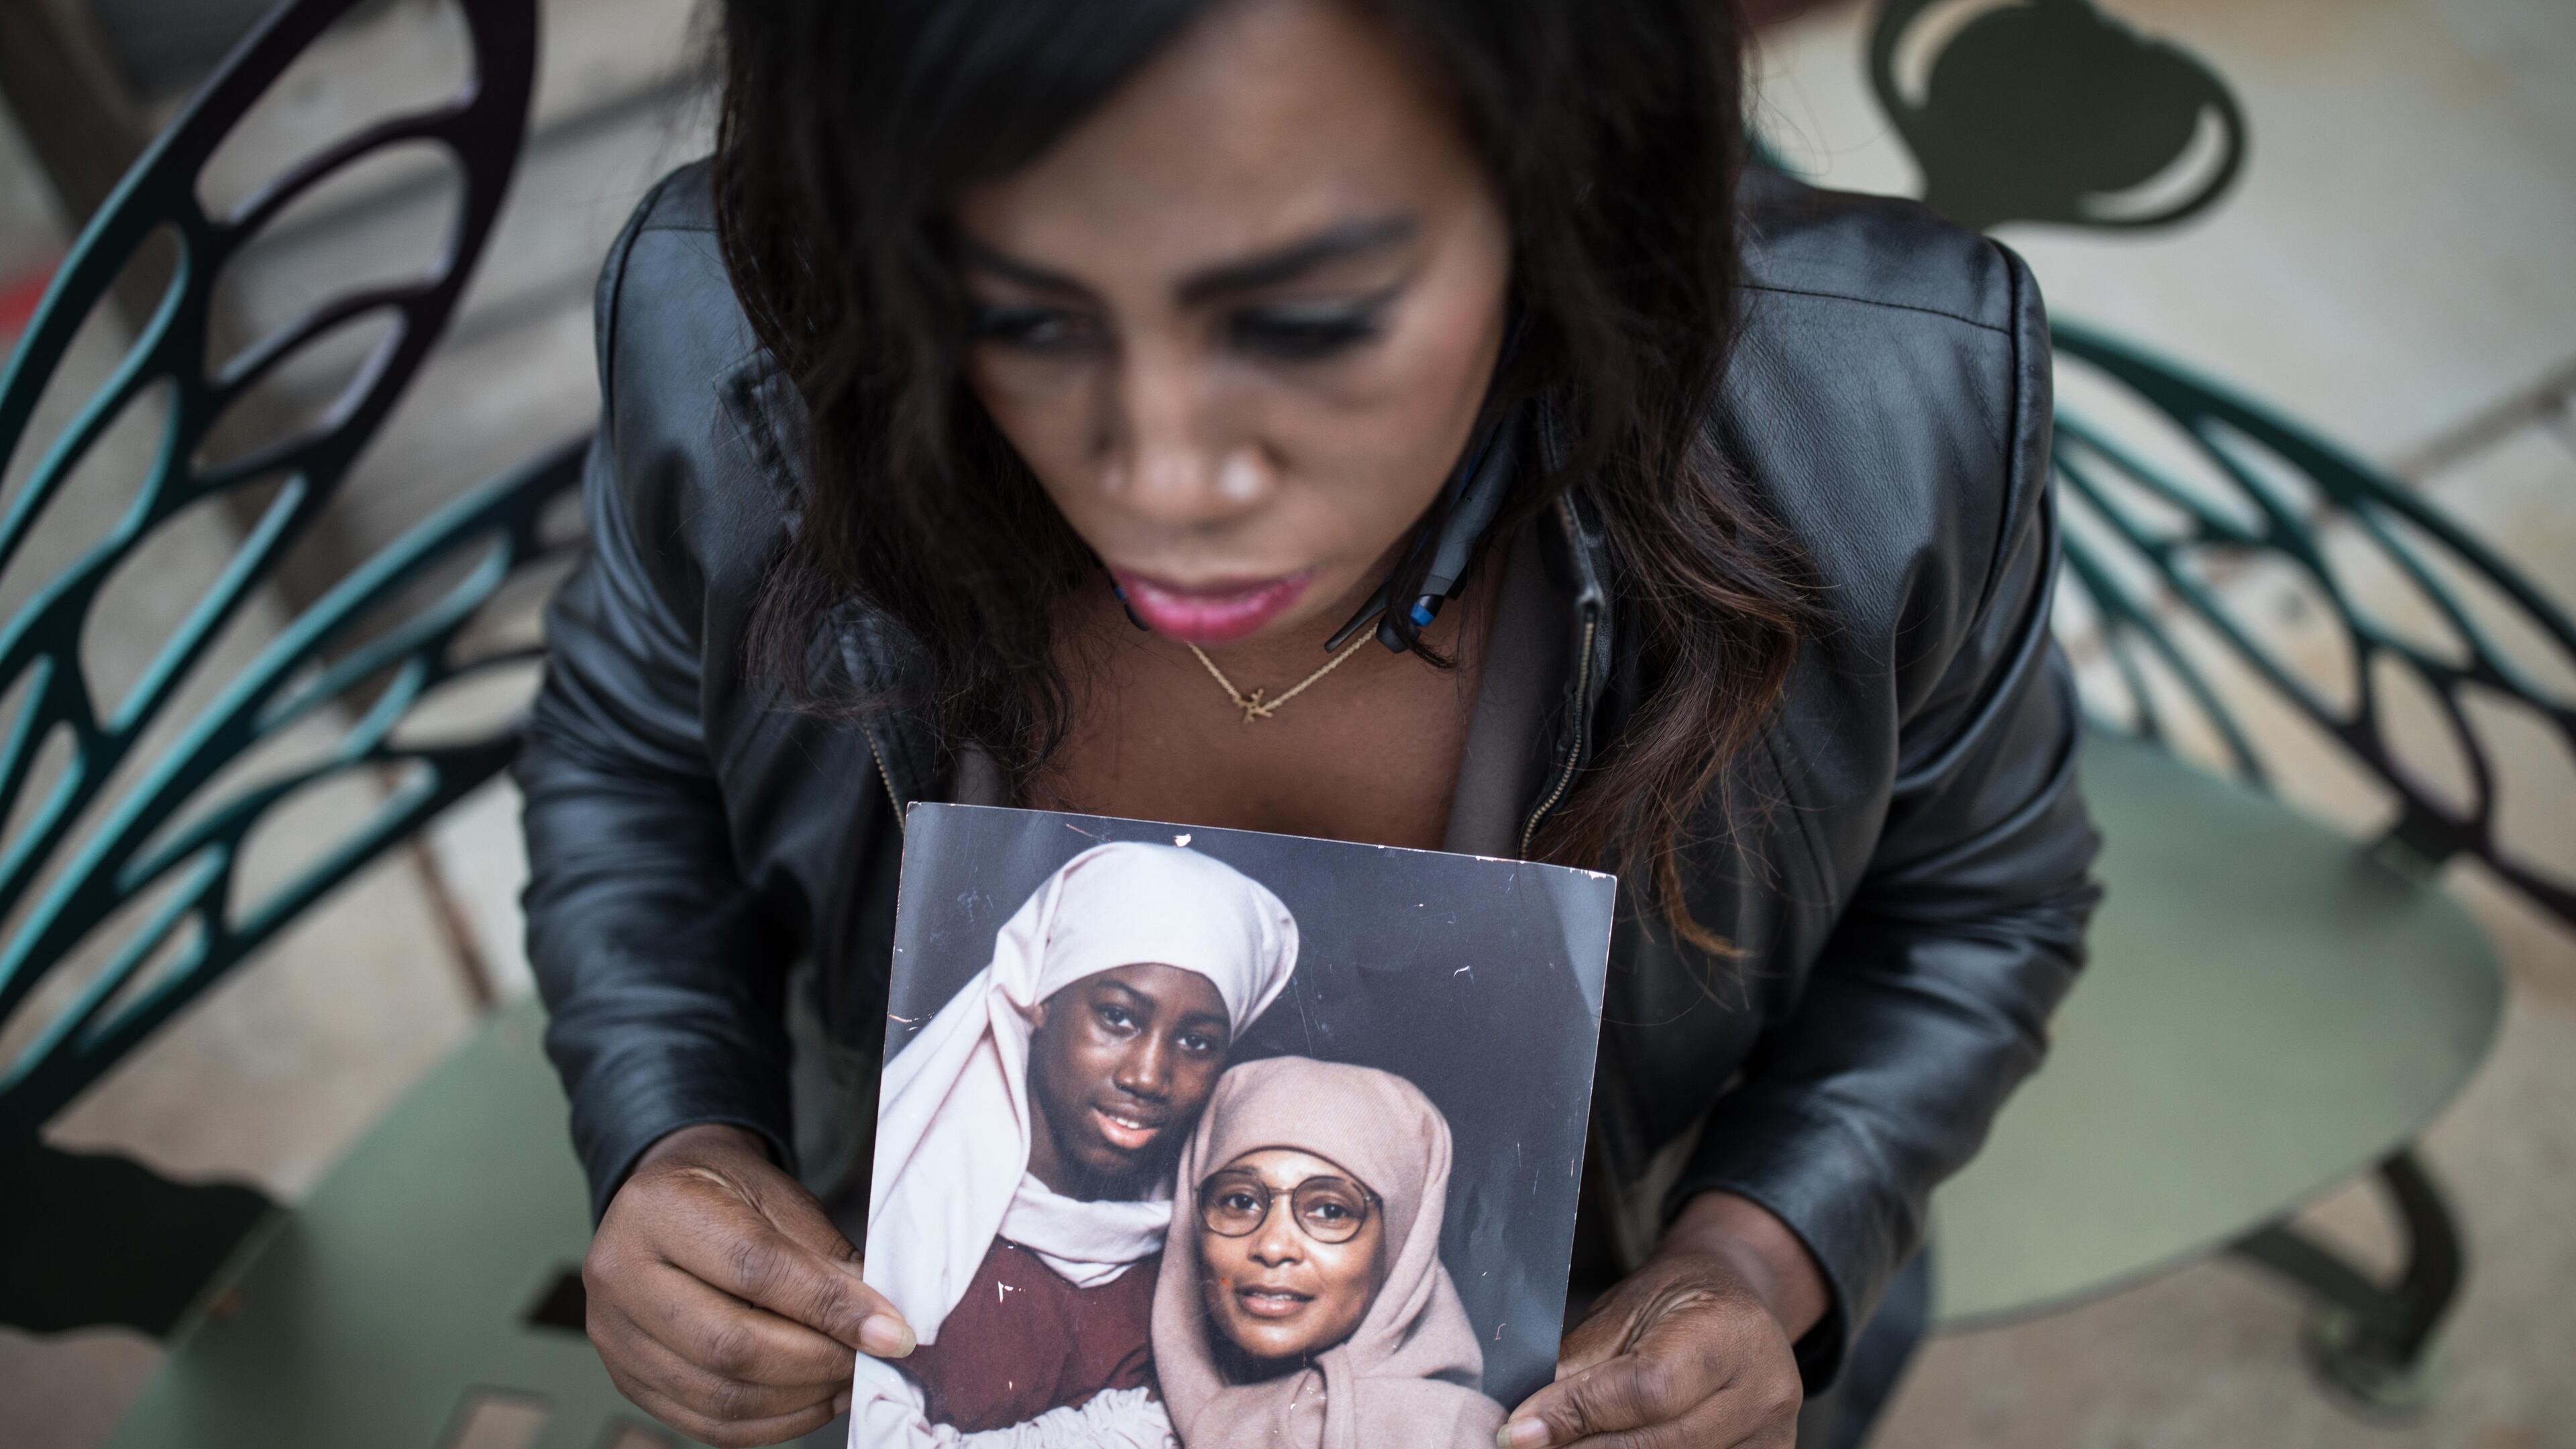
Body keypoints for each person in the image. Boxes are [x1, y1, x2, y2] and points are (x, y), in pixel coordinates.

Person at [519, 0, 2102, 1444]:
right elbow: (629, 757)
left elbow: (1976, 904)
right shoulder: (736, 342)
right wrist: (680, 1131)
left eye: (1307, 319)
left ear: (1562, 197)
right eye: (1025, 317)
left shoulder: (1889, 414)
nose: (1166, 479)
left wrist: (1749, 1256)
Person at [855, 841, 1297, 1446]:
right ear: (1040, 1001)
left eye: (1196, 1043)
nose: (1147, 1076)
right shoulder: (912, 1213)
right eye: (1118, 1017)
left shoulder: (1207, 1261)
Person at [1155, 1057, 1503, 1449]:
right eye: (1240, 1201)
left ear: (1402, 1245)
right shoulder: (1127, 1421)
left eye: (1330, 1211)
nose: (1272, 1247)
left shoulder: (1456, 1437)